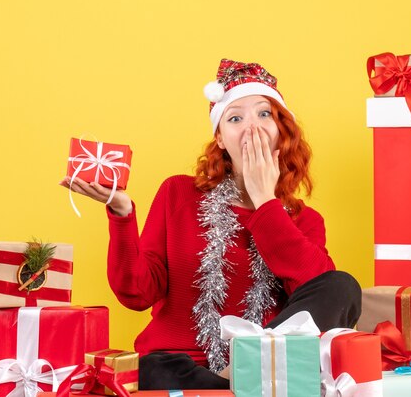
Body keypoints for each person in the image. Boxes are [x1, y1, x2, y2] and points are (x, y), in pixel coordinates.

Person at [60, 59, 362, 389]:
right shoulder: (177, 193)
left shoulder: (305, 221)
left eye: (264, 114)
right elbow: (136, 293)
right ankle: (235, 386)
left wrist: (266, 203)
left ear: (282, 131)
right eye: (235, 118)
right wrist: (121, 215)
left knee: (342, 286)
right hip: (182, 364)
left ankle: (245, 371)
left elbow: (319, 297)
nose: (252, 128)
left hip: (264, 359)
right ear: (220, 139)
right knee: (151, 369)